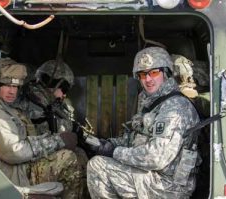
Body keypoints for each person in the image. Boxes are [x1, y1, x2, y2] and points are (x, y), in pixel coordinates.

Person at [86, 47, 201, 198]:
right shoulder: (151, 103)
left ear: (165, 73)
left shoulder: (175, 107)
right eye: (142, 74)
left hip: (168, 187)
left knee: (98, 166)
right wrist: (110, 144)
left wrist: (114, 152)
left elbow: (157, 158)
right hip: (153, 177)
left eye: (154, 72)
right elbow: (136, 139)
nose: (148, 79)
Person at [0, 57, 83, 199]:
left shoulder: (7, 109)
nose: (12, 91)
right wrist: (57, 141)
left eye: (15, 86)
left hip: (22, 166)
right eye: (7, 85)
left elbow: (28, 138)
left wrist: (57, 139)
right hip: (15, 174)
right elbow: (16, 152)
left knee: (77, 155)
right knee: (68, 159)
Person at [15, 59, 89, 198]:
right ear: (53, 83)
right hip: (28, 161)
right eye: (64, 89)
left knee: (81, 154)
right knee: (70, 158)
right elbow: (44, 130)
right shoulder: (31, 101)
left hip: (40, 154)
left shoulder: (48, 101)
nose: (65, 94)